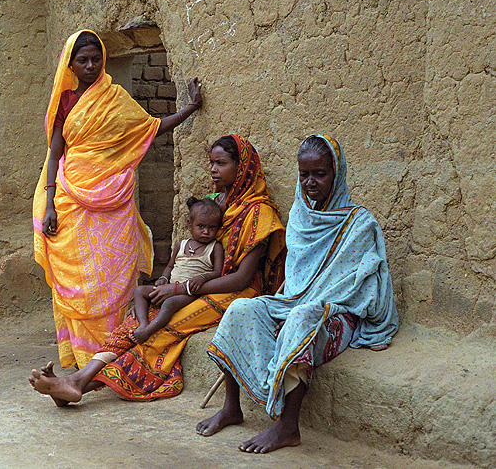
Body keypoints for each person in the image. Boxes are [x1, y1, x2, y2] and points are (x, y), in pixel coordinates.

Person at [29, 135, 286, 405]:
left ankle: (80, 384)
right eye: (211, 163)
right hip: (195, 284)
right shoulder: (215, 203)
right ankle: (75, 381)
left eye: (221, 163)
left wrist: (180, 288)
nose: (213, 170)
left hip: (233, 292)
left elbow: (242, 278)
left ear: (242, 167)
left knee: (158, 331)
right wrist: (172, 283)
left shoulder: (260, 213)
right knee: (134, 323)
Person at [196, 134, 399, 454]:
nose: (310, 182)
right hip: (293, 302)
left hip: (334, 315)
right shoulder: (301, 217)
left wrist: (312, 307)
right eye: (304, 174)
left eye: (320, 174)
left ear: (337, 173)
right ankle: (232, 407)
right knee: (241, 309)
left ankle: (288, 426)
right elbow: (297, 279)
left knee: (301, 318)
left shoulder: (359, 223)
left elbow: (368, 283)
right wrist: (291, 302)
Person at [33, 30, 204, 370]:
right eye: (83, 60)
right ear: (70, 65)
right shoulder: (65, 102)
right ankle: (83, 356)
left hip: (113, 201)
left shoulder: (115, 98)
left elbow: (150, 128)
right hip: (70, 198)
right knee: (78, 279)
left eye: (96, 59)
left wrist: (190, 108)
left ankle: (114, 350)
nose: (90, 66)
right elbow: (54, 154)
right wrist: (50, 202)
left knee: (114, 273)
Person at [130, 197, 225, 345]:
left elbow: (218, 272)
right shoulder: (182, 245)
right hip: (170, 286)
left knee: (169, 303)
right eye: (201, 226)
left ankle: (148, 331)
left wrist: (203, 277)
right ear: (189, 225)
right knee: (139, 291)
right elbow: (170, 266)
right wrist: (163, 278)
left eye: (212, 228)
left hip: (189, 292)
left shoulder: (215, 247)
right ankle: (143, 324)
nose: (206, 232)